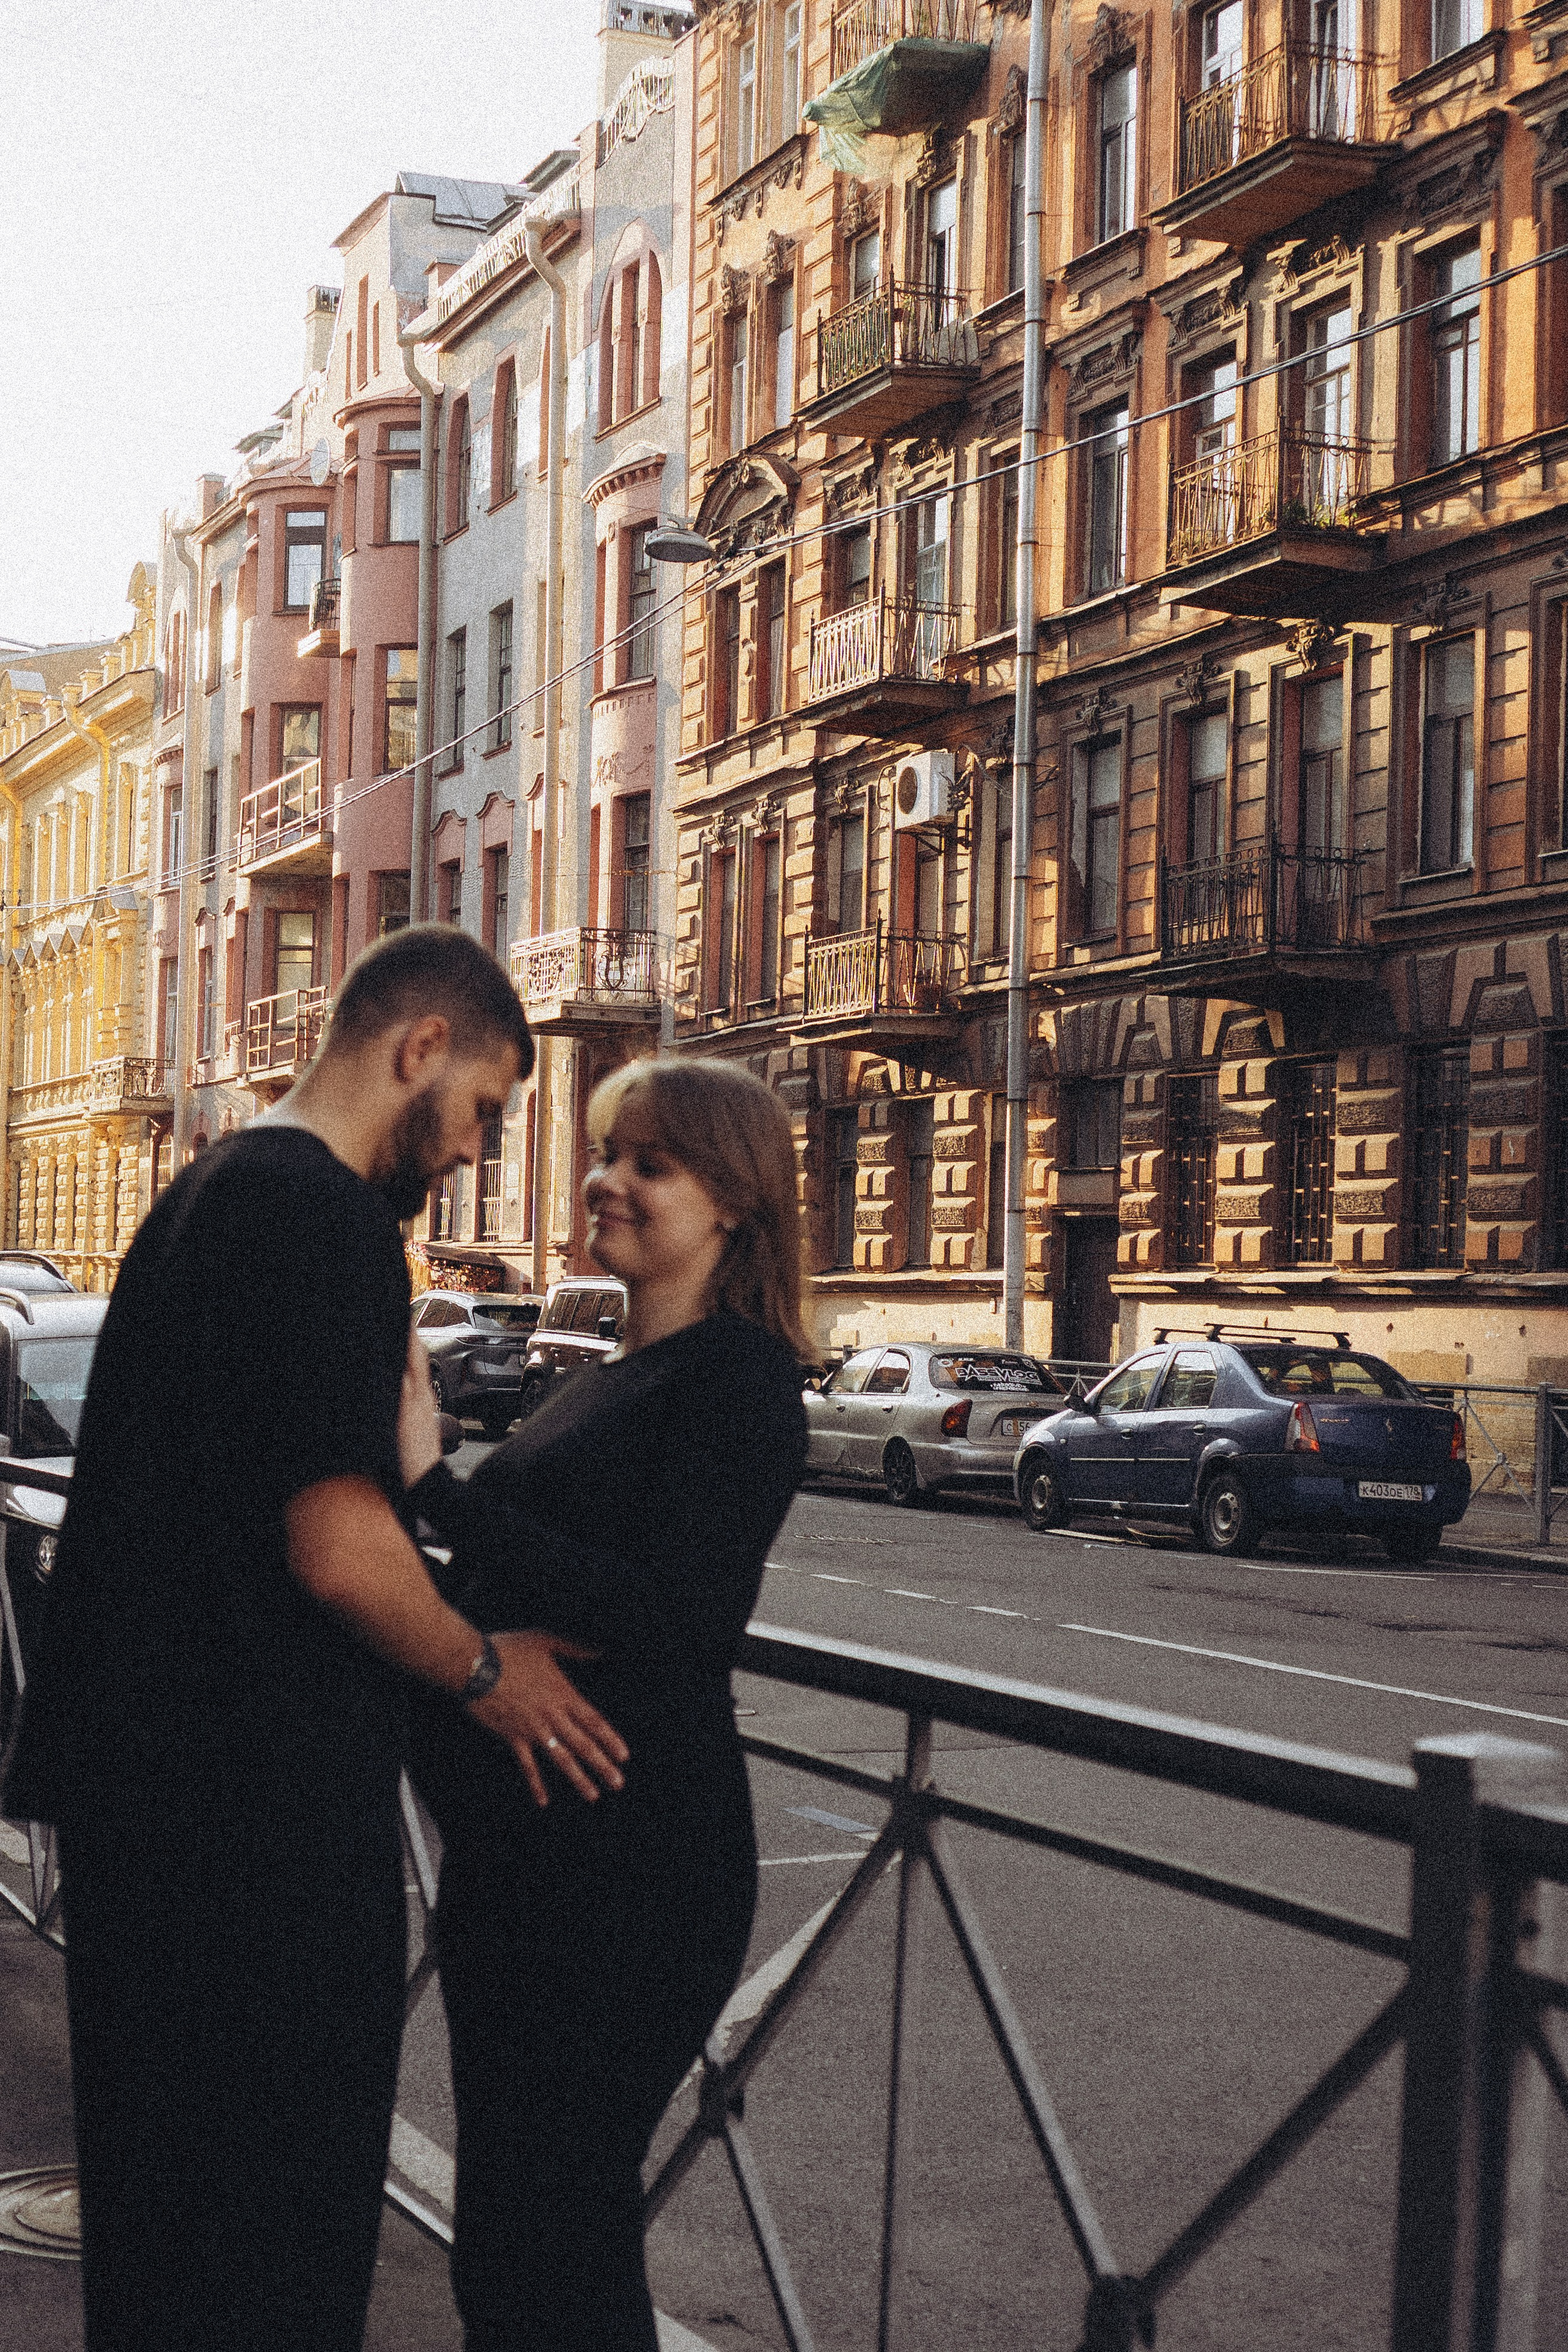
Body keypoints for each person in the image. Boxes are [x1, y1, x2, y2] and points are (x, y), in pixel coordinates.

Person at [0, 924, 627, 2352]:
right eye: (481, 1109)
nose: (472, 1151)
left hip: (155, 1806)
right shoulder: (322, 1219)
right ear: (418, 1048)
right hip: (251, 1827)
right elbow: (336, 1546)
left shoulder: (212, 1189)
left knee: (167, 2236)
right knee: (270, 2244)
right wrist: (490, 1677)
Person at [399, 1054, 812, 2352]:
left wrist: (436, 1490)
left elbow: (677, 1620)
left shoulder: (737, 1377)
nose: (607, 1180)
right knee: (515, 2242)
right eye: (604, 1152)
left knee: (556, 2241)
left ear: (732, 1200)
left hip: (631, 1866)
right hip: (529, 1857)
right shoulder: (614, 1362)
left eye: (651, 1162)